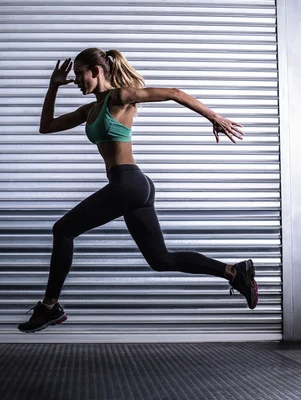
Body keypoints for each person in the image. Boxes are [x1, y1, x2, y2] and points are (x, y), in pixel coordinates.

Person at [18, 48, 258, 333]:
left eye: (79, 73)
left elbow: (174, 93)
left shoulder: (119, 97)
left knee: (63, 230)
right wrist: (52, 87)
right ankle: (234, 272)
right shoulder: (90, 110)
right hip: (131, 186)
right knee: (161, 259)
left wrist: (213, 117)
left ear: (96, 70)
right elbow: (46, 126)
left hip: (128, 183)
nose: (76, 80)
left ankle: (49, 307)